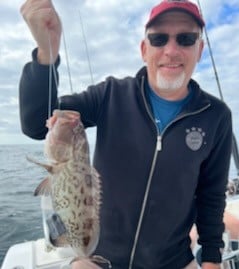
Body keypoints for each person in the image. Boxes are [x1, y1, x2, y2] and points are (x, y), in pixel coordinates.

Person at [19, 0, 233, 268]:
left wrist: (212, 259)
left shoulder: (216, 116)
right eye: (158, 38)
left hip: (173, 261)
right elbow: (36, 123)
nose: (171, 49)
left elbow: (211, 196)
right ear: (144, 50)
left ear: (199, 49)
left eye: (186, 38)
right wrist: (46, 53)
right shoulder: (110, 94)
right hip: (98, 258)